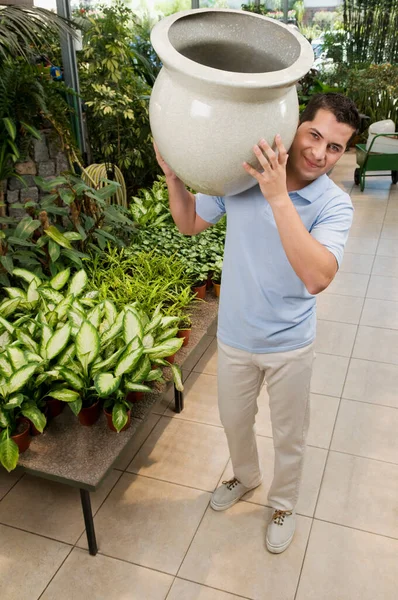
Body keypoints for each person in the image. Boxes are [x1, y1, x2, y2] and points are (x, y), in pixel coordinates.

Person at [154, 93, 360, 554]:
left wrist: (278, 197)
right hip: (235, 337)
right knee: (234, 423)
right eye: (314, 135)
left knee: (290, 435)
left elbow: (317, 276)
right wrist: (173, 177)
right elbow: (188, 222)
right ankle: (246, 477)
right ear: (294, 126)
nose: (319, 153)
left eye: (335, 148)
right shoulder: (241, 176)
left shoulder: (335, 204)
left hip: (290, 344)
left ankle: (284, 502)